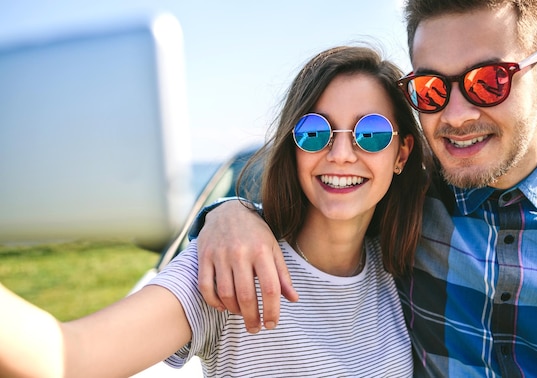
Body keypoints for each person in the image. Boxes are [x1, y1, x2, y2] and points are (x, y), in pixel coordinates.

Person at [190, 0, 537, 376]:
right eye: (432, 88)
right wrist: (228, 214)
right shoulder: (404, 197)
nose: (455, 115)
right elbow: (314, 192)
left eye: (489, 82)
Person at [0, 45, 431, 377]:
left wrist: (226, 210)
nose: (340, 153)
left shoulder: (402, 271)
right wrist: (226, 215)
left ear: (401, 154)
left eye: (370, 132)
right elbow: (68, 357)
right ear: (292, 147)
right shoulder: (227, 265)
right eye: (314, 131)